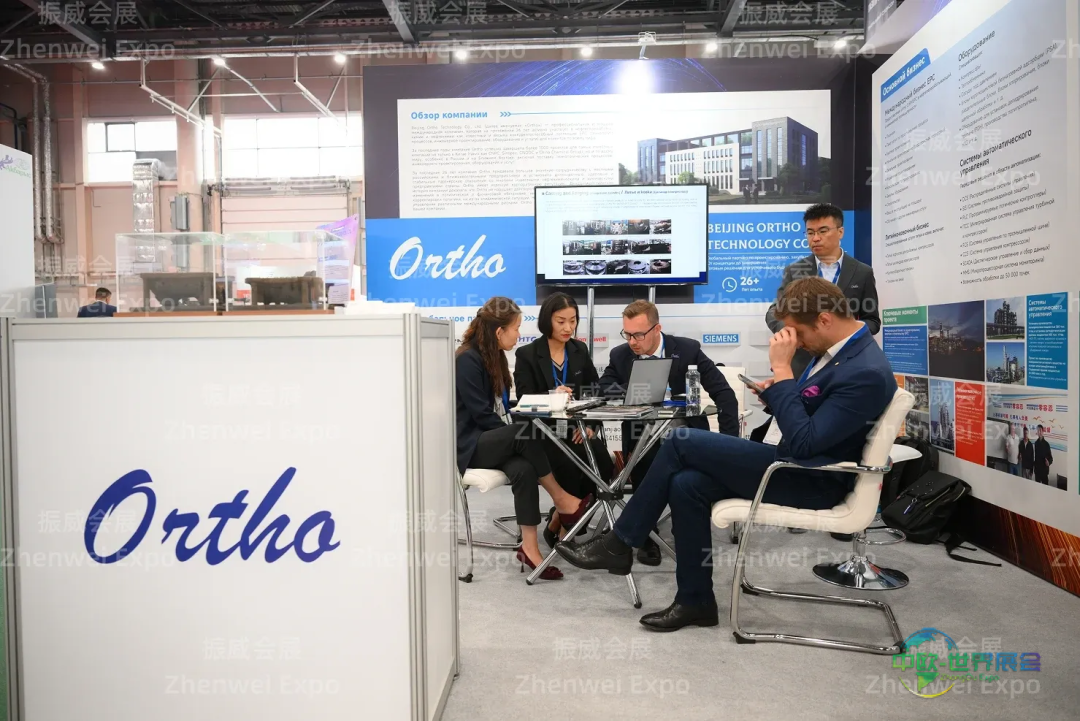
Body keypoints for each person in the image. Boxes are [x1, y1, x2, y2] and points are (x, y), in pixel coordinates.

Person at [556, 277, 897, 632]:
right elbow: (813, 414)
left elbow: (805, 444)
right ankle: (696, 601)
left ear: (824, 319)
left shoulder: (864, 371)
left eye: (797, 333)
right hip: (795, 465)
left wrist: (783, 374)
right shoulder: (843, 355)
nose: (794, 342)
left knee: (680, 440)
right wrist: (779, 393)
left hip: (811, 478)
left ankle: (620, 542)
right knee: (687, 484)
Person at [456, 297, 591, 580]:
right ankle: (561, 499)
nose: (519, 334)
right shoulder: (467, 359)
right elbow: (482, 416)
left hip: (492, 438)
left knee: (524, 468)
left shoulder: (494, 356)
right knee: (526, 432)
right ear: (499, 332)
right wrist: (511, 434)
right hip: (470, 445)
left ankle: (529, 548)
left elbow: (503, 407)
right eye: (516, 328)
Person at [597, 299, 740, 565]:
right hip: (643, 437)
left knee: (686, 478)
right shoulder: (620, 355)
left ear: (657, 329)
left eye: (638, 335)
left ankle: (683, 527)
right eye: (627, 334)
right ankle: (646, 537)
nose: (632, 342)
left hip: (685, 434)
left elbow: (723, 394)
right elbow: (603, 387)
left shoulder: (687, 350)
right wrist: (638, 386)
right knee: (645, 463)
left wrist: (730, 444)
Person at [514, 292, 613, 548]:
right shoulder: (527, 354)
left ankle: (560, 519)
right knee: (569, 465)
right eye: (561, 321)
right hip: (542, 433)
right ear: (547, 320)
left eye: (573, 320)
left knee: (603, 464)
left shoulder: (579, 350)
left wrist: (590, 426)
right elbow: (524, 399)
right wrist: (551, 397)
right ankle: (566, 535)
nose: (568, 327)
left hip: (575, 428)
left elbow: (594, 392)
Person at [765, 203, 881, 380]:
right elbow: (774, 312)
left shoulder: (862, 272)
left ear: (840, 232)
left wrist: (845, 333)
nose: (816, 238)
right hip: (803, 365)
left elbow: (872, 321)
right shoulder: (795, 271)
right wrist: (793, 334)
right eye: (810, 233)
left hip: (847, 363)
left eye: (823, 231)